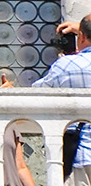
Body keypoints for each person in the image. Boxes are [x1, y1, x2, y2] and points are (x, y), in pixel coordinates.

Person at [34, 15, 91, 185]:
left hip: (82, 155)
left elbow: (36, 94)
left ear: (80, 37)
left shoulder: (66, 65)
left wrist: (65, 58)